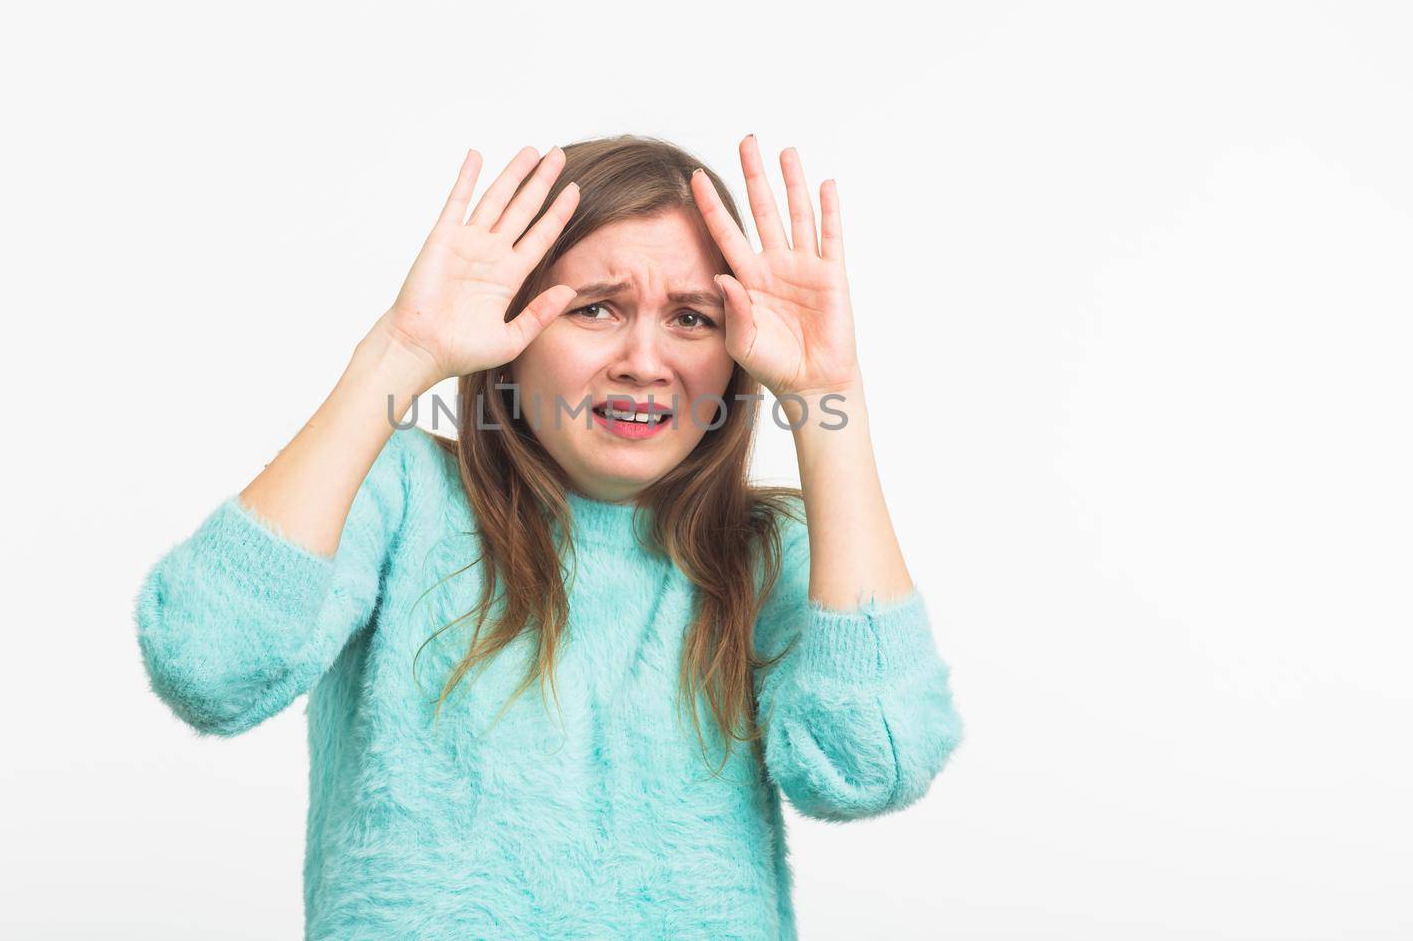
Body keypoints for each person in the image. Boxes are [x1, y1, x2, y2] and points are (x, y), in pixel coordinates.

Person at [133, 134, 965, 939]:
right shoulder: (400, 494)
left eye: (692, 318)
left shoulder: (767, 549)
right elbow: (209, 664)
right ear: (515, 333)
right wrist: (400, 353)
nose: (644, 359)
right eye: (596, 309)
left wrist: (830, 400)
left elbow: (872, 765)